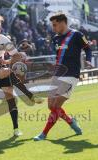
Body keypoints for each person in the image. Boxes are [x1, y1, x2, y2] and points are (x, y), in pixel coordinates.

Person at [34, 13, 93, 141]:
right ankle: (71, 122)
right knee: (51, 106)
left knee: (55, 106)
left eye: (55, 25)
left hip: (71, 75)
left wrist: (88, 60)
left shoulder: (76, 35)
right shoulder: (56, 38)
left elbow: (88, 49)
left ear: (63, 22)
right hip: (58, 74)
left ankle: (43, 134)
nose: (53, 28)